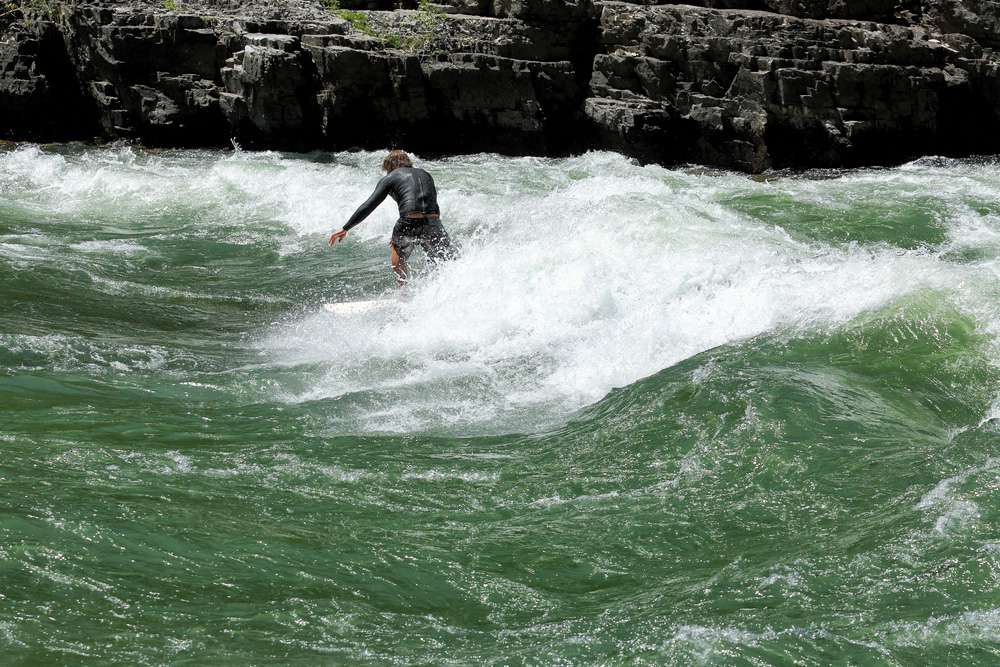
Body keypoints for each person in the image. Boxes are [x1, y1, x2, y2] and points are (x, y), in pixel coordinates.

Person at [329, 150, 456, 286]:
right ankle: (446, 289)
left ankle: (403, 293)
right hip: (433, 221)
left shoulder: (390, 178)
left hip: (408, 220)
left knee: (399, 260)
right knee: (444, 259)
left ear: (388, 165)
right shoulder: (426, 174)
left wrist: (346, 228)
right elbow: (432, 204)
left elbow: (369, 205)